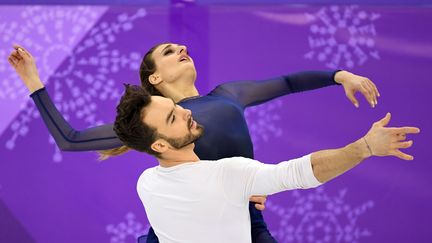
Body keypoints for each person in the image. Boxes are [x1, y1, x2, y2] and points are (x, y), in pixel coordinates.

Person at [8, 44, 380, 243]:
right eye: (169, 51)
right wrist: (33, 81)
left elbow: (286, 83)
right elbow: (70, 139)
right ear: (154, 77)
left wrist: (338, 75)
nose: (181, 48)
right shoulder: (150, 123)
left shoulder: (229, 94)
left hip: (248, 224)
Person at [113, 84, 418, 243]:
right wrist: (364, 147)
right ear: (160, 145)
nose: (185, 112)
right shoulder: (229, 174)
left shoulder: (147, 184)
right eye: (172, 118)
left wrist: (238, 195)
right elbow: (301, 172)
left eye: (175, 106)